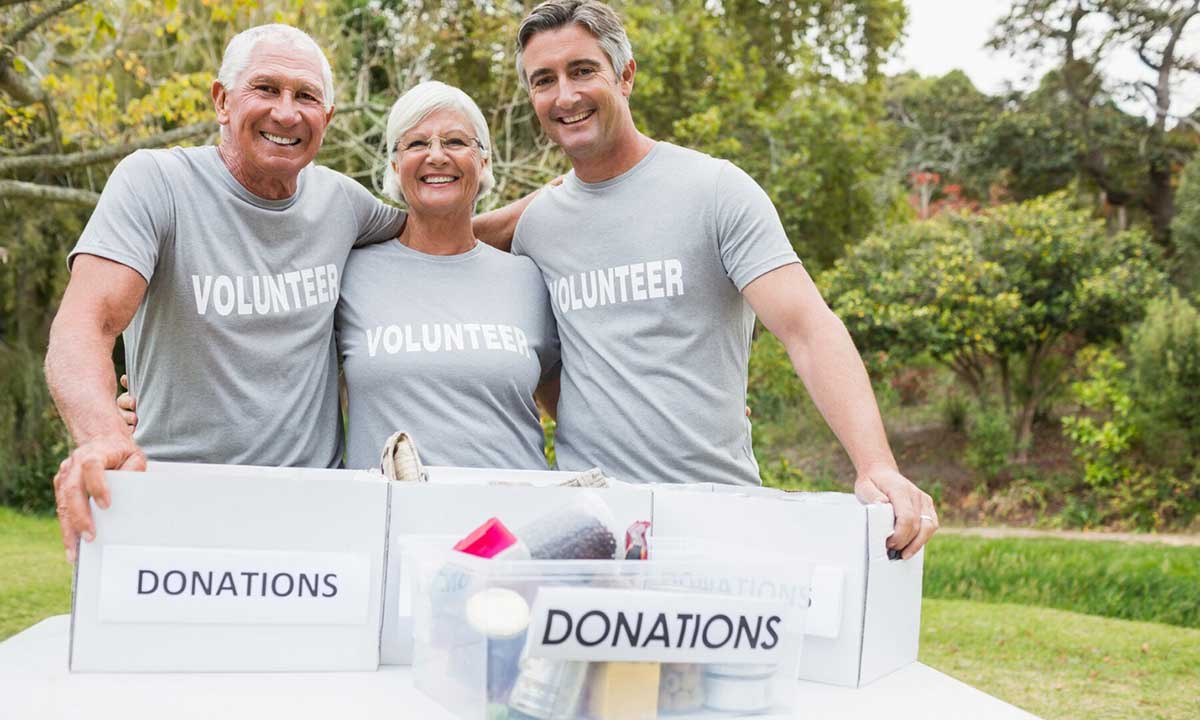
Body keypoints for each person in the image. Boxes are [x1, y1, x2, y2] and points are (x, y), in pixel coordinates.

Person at [45, 26, 526, 562]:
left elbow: (439, 230)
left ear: (328, 118)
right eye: (266, 89)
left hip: (313, 517)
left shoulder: (340, 203)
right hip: (174, 499)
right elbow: (86, 323)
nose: (286, 112)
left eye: (306, 96)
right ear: (221, 101)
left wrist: (557, 205)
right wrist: (103, 433)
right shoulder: (155, 184)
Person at [508, 0, 938, 558]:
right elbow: (544, 364)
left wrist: (876, 465)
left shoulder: (714, 191)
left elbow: (808, 329)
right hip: (591, 525)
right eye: (545, 81)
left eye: (583, 71)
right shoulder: (537, 228)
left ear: (626, 75)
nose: (565, 96)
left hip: (718, 516)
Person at [336, 81, 559, 469]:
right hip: (388, 520)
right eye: (417, 144)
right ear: (393, 164)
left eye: (456, 142)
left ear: (485, 161)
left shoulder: (529, 278)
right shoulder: (349, 272)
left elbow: (569, 406)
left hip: (508, 521)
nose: (436, 156)